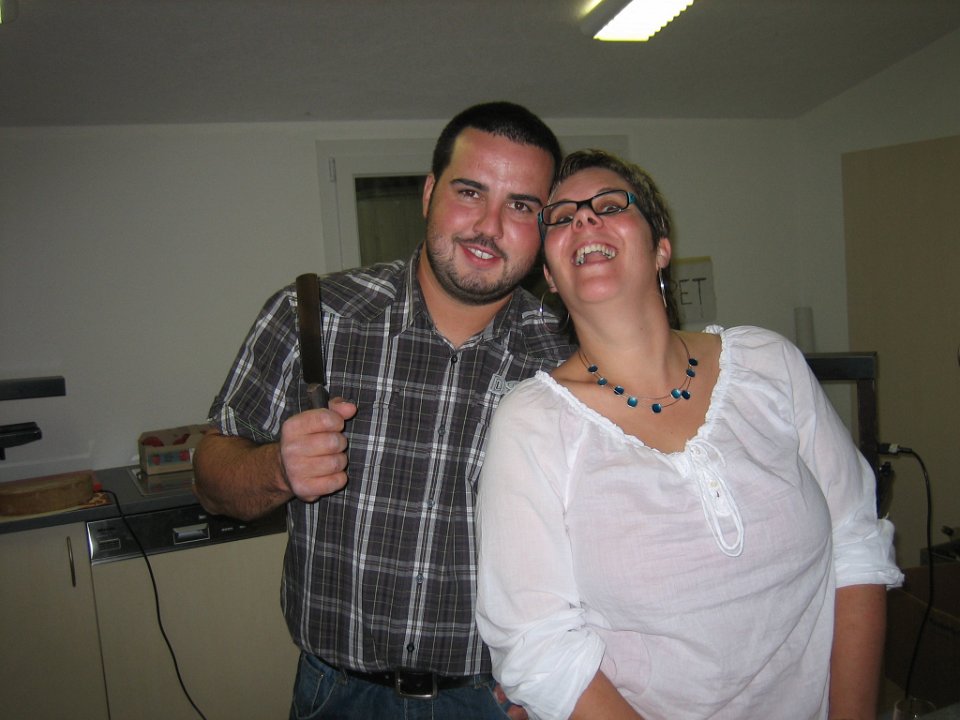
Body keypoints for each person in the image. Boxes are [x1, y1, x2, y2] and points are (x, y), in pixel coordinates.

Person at [474, 149, 904, 720]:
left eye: (610, 205)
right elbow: (538, 647)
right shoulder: (532, 423)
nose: (585, 218)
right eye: (562, 217)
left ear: (661, 247)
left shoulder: (769, 363)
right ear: (550, 275)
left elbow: (856, 543)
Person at [192, 101, 573, 720]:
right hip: (336, 695)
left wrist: (559, 675)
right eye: (470, 192)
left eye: (522, 206)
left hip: (496, 700)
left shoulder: (569, 359)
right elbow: (210, 480)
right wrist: (279, 469)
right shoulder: (311, 317)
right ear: (428, 194)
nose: (489, 226)